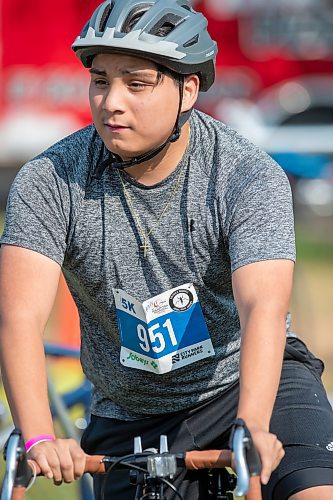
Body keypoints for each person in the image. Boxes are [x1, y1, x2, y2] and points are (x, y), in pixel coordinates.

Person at [0, 0, 333, 498]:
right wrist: (41, 434)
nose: (111, 101)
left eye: (136, 83)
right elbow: (18, 315)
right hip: (130, 407)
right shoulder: (49, 179)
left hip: (248, 382)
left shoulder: (246, 175)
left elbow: (263, 306)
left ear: (188, 90)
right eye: (100, 80)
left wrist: (253, 423)